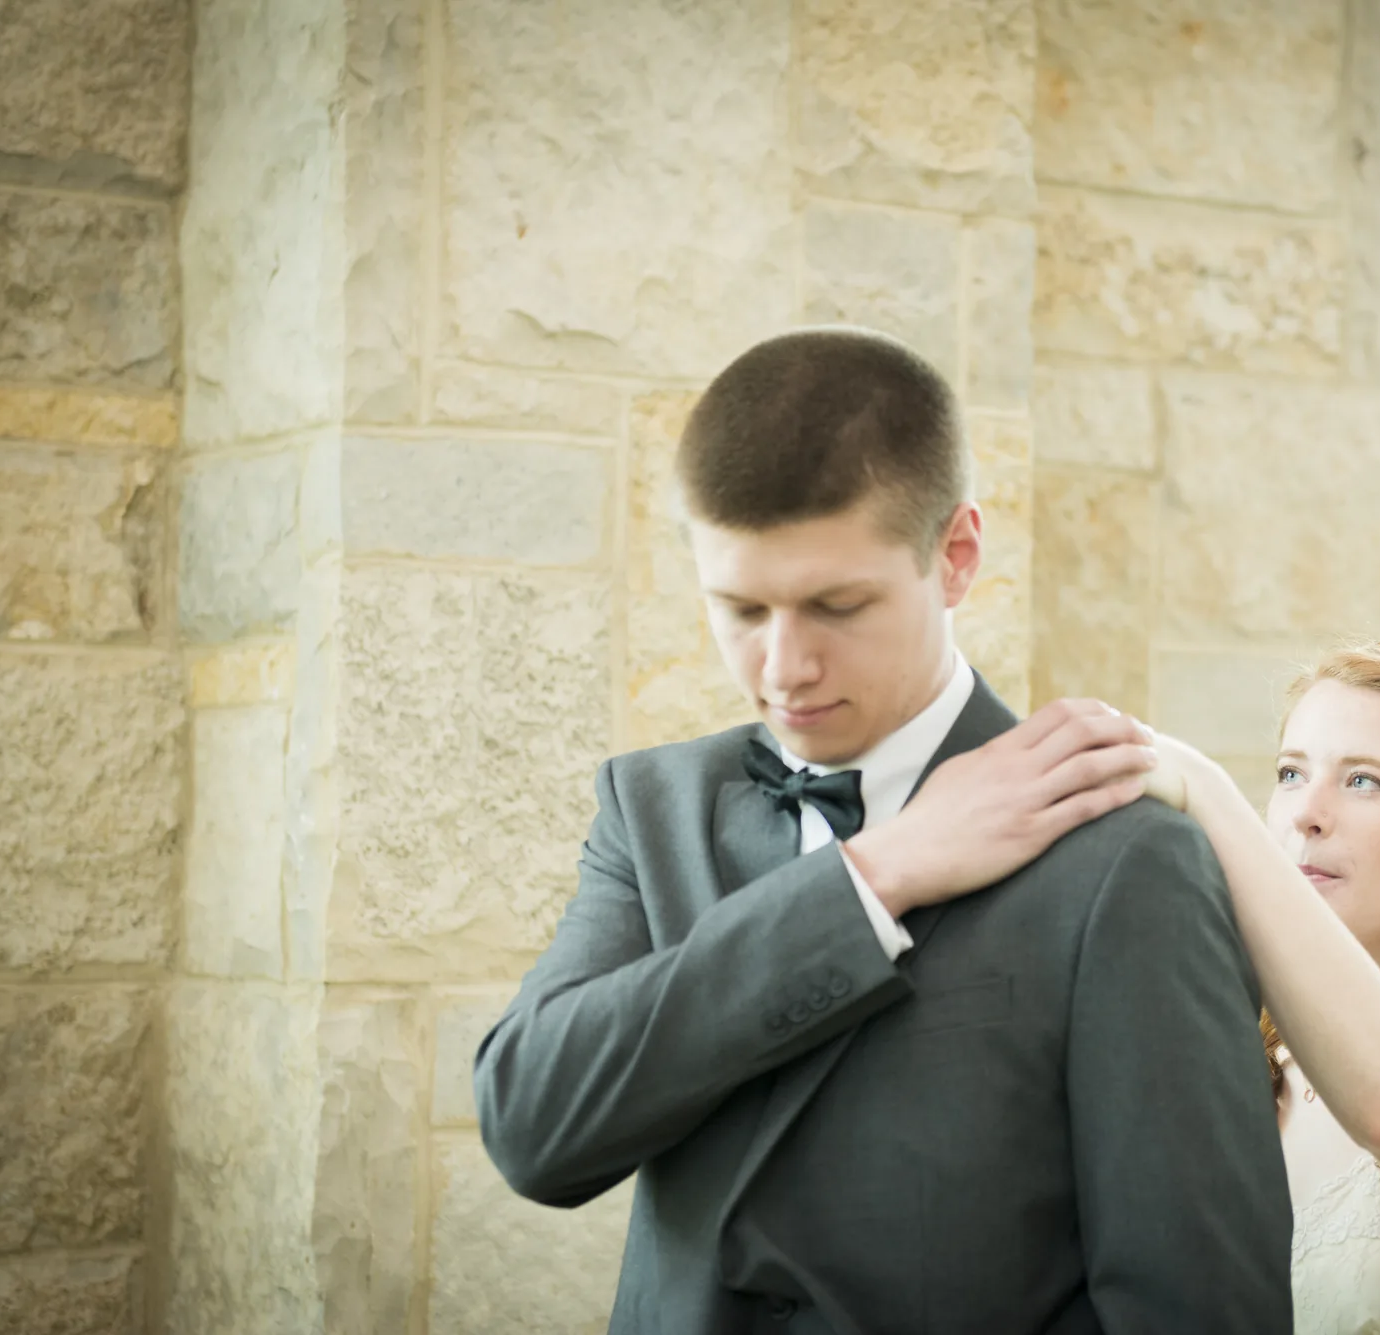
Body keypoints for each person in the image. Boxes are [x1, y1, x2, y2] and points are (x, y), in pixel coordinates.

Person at [474, 327, 1293, 1334]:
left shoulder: (1125, 861)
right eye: (740, 609)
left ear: (955, 557)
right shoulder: (652, 809)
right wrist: (875, 874)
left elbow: (1199, 1306)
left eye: (836, 605)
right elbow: (532, 1127)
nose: (784, 667)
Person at [962, 636, 1380, 1334]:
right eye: (1291, 773)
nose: (1305, 813)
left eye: (1363, 781)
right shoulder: (1218, 1067)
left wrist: (1203, 786)